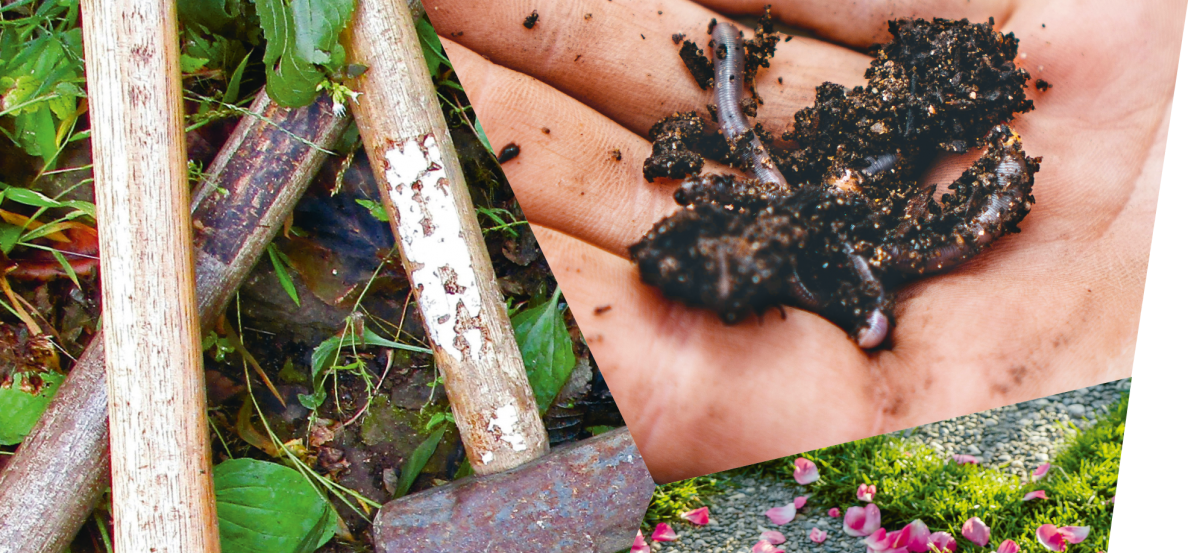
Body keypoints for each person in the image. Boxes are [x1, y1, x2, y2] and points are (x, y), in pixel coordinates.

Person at [423, 0, 1176, 482]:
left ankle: (731, 62)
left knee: (747, 142)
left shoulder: (861, 232)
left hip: (835, 218)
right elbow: (755, 170)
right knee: (747, 145)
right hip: (818, 219)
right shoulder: (817, 232)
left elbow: (753, 159)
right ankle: (730, 62)